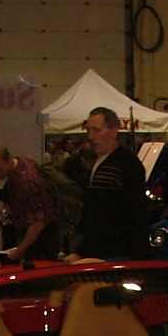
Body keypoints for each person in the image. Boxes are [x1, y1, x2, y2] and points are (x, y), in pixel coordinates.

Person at [66, 107, 150, 262]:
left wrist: (83, 250)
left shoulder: (127, 164)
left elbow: (124, 215)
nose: (91, 136)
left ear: (113, 131)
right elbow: (94, 211)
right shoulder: (97, 162)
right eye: (89, 130)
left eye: (97, 130)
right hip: (100, 249)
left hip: (116, 252)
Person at [0, 144, 60, 261]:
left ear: (9, 160)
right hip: (34, 231)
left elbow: (37, 224)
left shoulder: (26, 182)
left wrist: (19, 251)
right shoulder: (19, 162)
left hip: (42, 239)